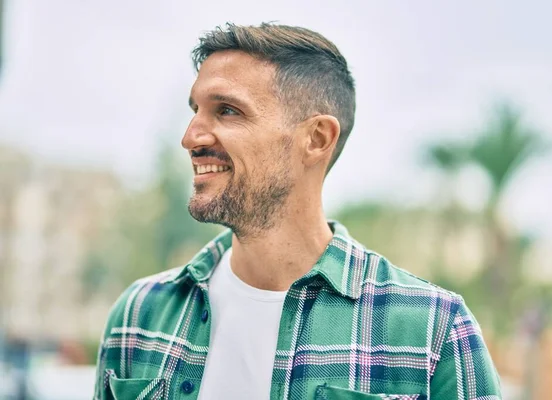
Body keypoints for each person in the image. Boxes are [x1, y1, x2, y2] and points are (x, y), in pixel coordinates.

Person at [94, 23, 502, 400]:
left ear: (316, 139)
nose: (190, 137)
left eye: (227, 110)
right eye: (195, 110)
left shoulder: (434, 331)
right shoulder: (138, 317)